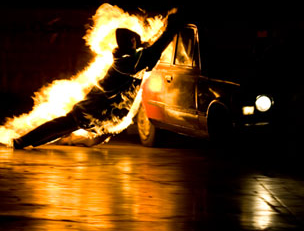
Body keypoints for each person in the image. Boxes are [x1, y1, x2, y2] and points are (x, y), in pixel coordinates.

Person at [13, 10, 182, 149]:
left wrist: (165, 26)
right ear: (131, 43)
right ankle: (23, 141)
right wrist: (171, 29)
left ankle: (27, 142)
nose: (139, 42)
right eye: (135, 41)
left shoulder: (127, 57)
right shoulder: (129, 62)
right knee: (60, 126)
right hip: (93, 109)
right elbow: (155, 49)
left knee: (62, 128)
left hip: (100, 112)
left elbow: (149, 46)